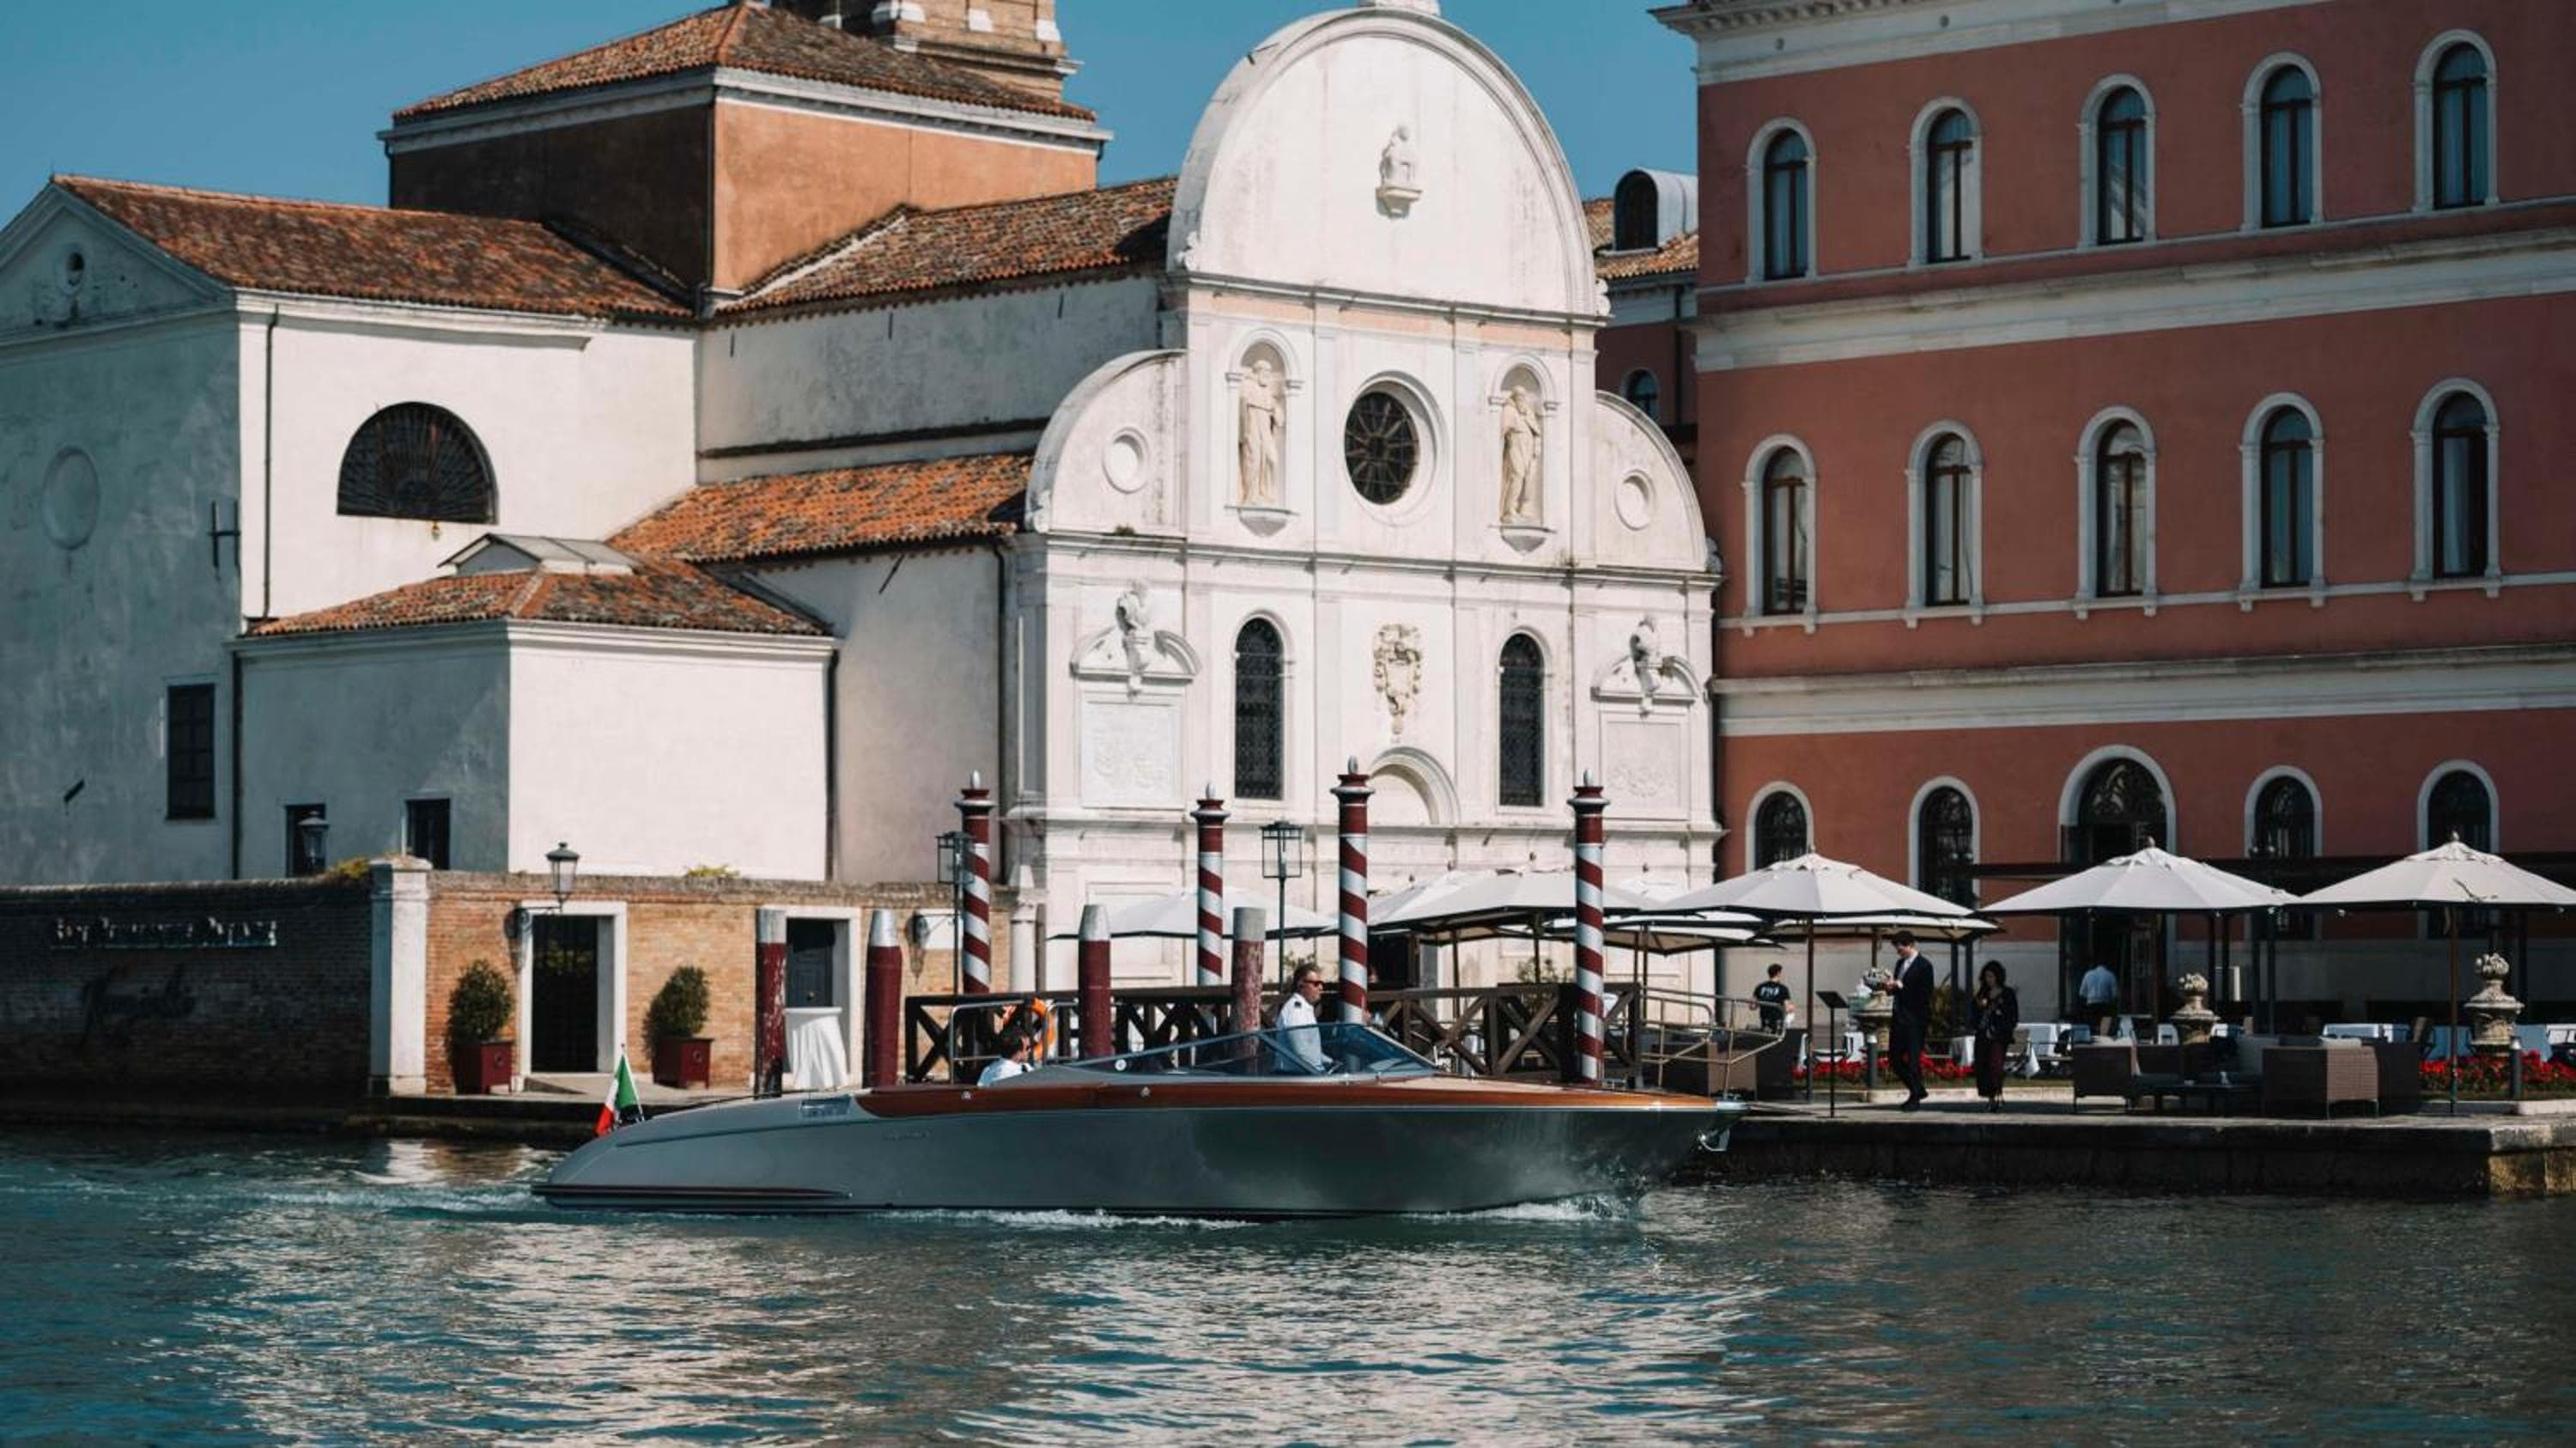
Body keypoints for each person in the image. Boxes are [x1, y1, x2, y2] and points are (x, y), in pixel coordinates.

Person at [1887, 933, 1934, 1110]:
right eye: (1897, 946)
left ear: (1911, 945)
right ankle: (1918, 1088)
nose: (1898, 950)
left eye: (1901, 946)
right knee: (1894, 1059)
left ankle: (1914, 1098)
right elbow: (1898, 991)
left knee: (1913, 1060)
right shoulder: (1899, 964)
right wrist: (1891, 987)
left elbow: (1924, 994)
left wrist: (1902, 987)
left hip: (1916, 1020)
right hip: (1899, 1018)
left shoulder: (1924, 966)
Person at [1971, 960, 2020, 1113]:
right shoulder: (1982, 993)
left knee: (1995, 1065)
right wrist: (1981, 1007)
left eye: (1991, 976)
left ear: (1998, 977)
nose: (1989, 979)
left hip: (1999, 1036)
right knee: (1983, 1066)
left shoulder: (2007, 994)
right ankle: (1990, 1097)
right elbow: (1974, 1015)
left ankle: (1998, 1093)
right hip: (1983, 1036)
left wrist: (2001, 1023)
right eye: (1986, 976)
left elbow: (2013, 1016)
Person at [1276, 964, 1328, 1072]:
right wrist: (1321, 1071)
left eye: (1321, 983)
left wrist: (1330, 1061)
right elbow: (1301, 1052)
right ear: (1301, 985)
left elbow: (1311, 1051)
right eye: (1316, 983)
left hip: (1305, 1075)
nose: (1321, 987)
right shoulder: (1296, 1010)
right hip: (1294, 1078)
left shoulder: (1305, 1008)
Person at [976, 1022, 1040, 1086]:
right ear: (1018, 1052)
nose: (1030, 1050)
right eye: (1027, 1048)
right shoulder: (1010, 1074)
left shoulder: (988, 1070)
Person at [2077, 960, 2120, 1038]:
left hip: (2091, 1004)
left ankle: (2093, 1037)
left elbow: (2082, 993)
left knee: (2092, 1026)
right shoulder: (2110, 975)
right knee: (2104, 1029)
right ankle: (2103, 1038)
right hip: (2105, 1005)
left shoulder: (2088, 975)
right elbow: (2115, 995)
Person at [1753, 964, 1792, 1034]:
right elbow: (1787, 1008)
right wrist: (1791, 1008)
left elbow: (1752, 1006)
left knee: (1765, 1039)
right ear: (1778, 973)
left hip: (1764, 1021)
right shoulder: (1783, 988)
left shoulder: (1760, 987)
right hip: (1777, 1022)